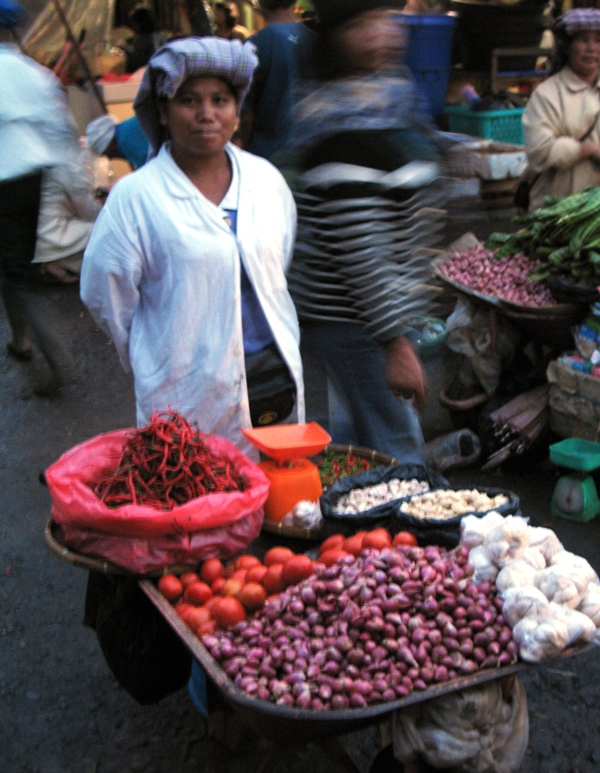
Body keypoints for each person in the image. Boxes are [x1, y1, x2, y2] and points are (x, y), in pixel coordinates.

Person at [80, 36, 305, 461]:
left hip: (271, 376)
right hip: (184, 390)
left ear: (236, 112)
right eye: (188, 100)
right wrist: (157, 354)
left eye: (220, 99)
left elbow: (278, 264)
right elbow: (104, 291)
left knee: (276, 501)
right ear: (163, 112)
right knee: (193, 502)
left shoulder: (267, 181)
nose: (206, 114)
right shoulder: (137, 198)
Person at [287, 0, 446, 464]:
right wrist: (393, 342)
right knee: (398, 448)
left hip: (370, 317)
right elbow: (361, 248)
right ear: (335, 38)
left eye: (387, 19)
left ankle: (348, 526)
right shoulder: (338, 124)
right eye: (363, 24)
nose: (382, 33)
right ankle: (411, 531)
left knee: (359, 438)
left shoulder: (392, 100)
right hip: (354, 319)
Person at [0, 0, 80, 394]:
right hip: (35, 179)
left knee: (15, 272)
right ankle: (21, 340)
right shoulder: (36, 74)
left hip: (4, 182)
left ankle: (57, 358)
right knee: (16, 266)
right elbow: (61, 132)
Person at [523, 7, 600, 212]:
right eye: (583, 40)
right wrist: (586, 150)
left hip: (594, 220)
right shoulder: (547, 95)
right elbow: (539, 151)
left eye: (598, 41)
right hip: (556, 215)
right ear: (567, 47)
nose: (592, 48)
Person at [238, 0, 316, 167]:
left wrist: (243, 149)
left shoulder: (253, 45)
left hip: (266, 156)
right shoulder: (315, 42)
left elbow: (246, 115)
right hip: (311, 153)